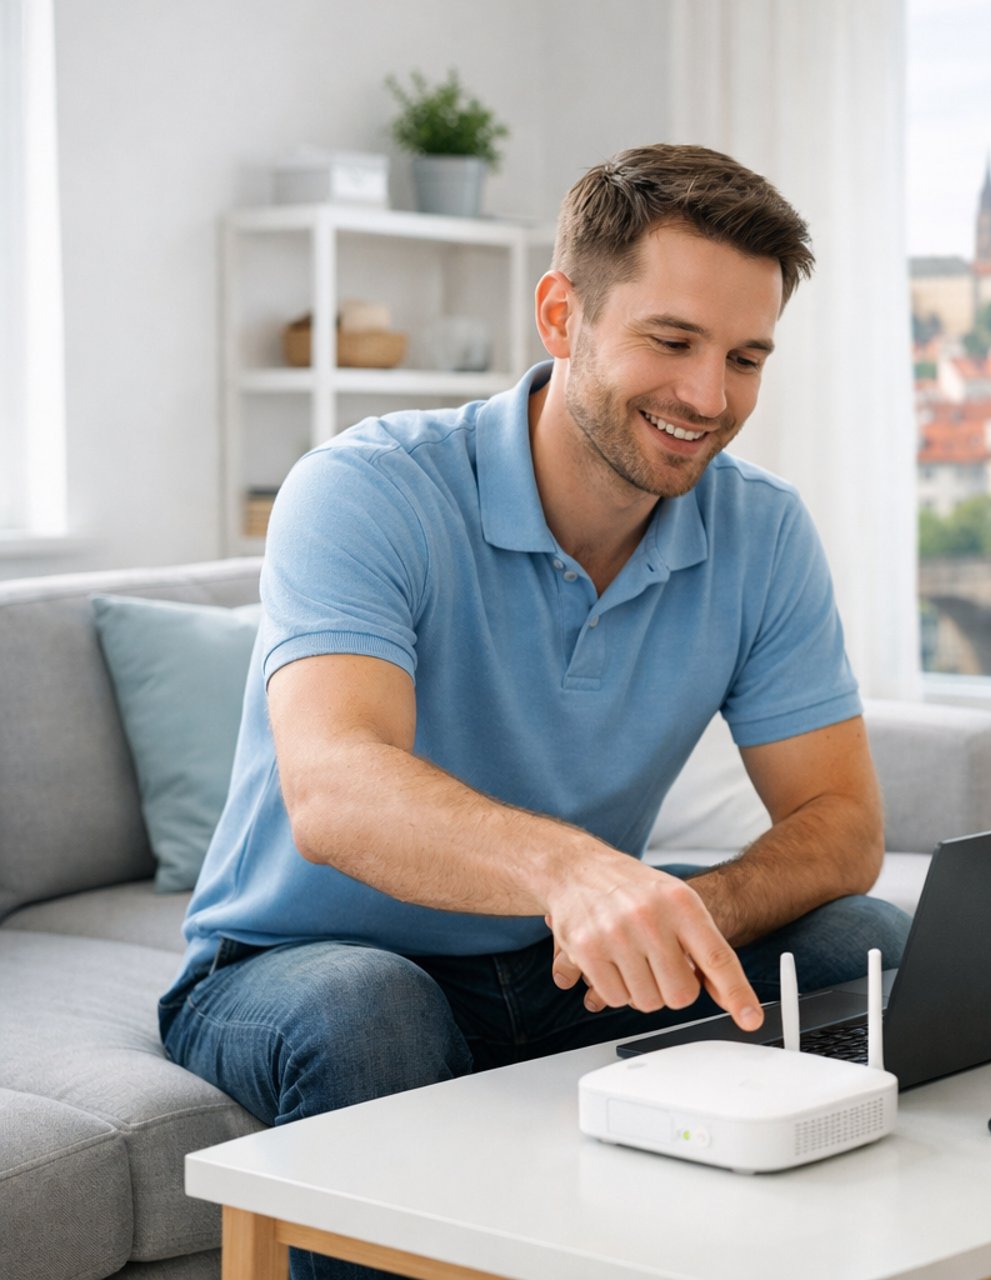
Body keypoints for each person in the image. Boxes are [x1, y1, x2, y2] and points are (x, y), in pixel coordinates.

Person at [161, 145, 911, 1272]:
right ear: (562, 314)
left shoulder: (763, 532)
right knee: (369, 1005)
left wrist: (684, 910)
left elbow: (842, 821)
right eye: (671, 340)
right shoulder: (365, 489)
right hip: (293, 957)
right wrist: (577, 874)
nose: (709, 397)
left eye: (745, 356)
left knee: (868, 945)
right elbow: (334, 786)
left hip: (566, 974)